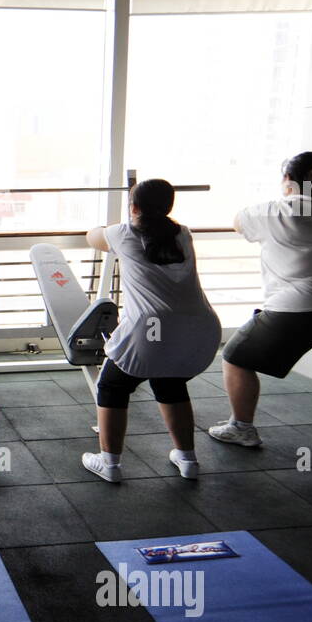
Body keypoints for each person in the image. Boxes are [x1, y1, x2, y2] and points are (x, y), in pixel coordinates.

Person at [209, 151, 312, 446]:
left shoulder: (277, 210)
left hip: (298, 304)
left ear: (289, 180)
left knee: (236, 357)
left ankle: (242, 427)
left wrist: (286, 194)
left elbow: (238, 222)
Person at [81, 179, 222, 483]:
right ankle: (187, 459)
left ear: (134, 207)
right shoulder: (182, 233)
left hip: (151, 331)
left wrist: (110, 225)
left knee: (113, 388)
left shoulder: (123, 232)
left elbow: (92, 237)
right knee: (169, 383)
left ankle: (110, 464)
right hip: (200, 329)